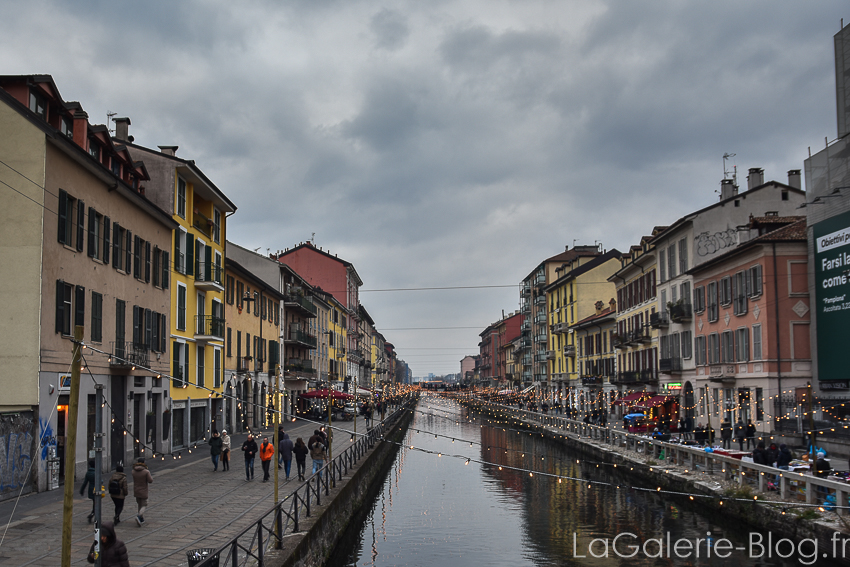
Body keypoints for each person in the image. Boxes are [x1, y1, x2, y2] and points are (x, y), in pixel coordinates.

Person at [131, 457, 152, 526]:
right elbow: (150, 480)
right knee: (144, 504)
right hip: (143, 490)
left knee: (139, 504)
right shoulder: (146, 471)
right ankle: (139, 516)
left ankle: (141, 519)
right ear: (144, 463)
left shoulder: (133, 471)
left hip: (136, 490)